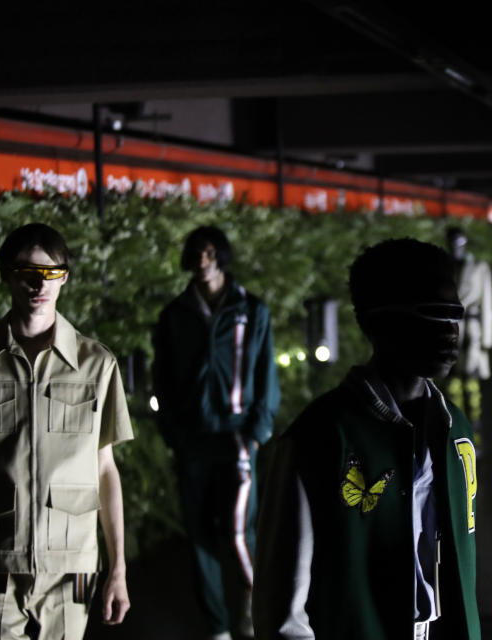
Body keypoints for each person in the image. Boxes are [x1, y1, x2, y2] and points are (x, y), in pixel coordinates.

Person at [253, 238, 480, 640]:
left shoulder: (455, 430)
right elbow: (283, 611)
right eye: (433, 314)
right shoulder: (319, 439)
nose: (451, 332)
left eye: (455, 315)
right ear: (380, 323)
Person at [0, 223, 133, 640]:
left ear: (65, 278)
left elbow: (105, 469)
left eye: (51, 274)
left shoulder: (98, 365)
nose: (39, 285)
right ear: (6, 275)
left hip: (71, 571)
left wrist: (119, 570)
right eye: (27, 273)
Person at [153, 226, 280, 640]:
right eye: (197, 255)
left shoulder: (252, 309)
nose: (203, 262)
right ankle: (217, 626)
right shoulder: (175, 315)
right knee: (199, 536)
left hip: (237, 438)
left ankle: (261, 613)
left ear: (221, 257)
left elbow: (266, 372)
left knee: (238, 531)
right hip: (192, 440)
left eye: (210, 254)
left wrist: (259, 428)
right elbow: (163, 379)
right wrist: (172, 431)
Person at [444, 227, 492, 428]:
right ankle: (457, 422)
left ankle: (474, 422)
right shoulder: (443, 266)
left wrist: (487, 337)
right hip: (450, 328)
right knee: (453, 378)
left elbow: (487, 302)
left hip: (472, 327)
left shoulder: (479, 267)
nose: (456, 247)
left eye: (459, 242)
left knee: (471, 377)